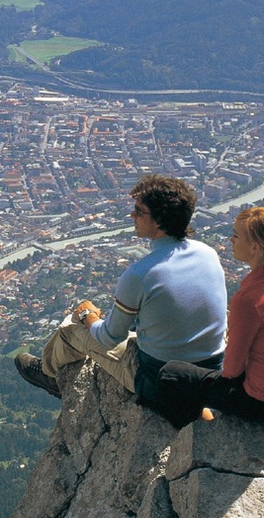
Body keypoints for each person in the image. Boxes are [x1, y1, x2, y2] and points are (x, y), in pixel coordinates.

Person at [15, 174, 227, 415]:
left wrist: (88, 316)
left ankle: (49, 375)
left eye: (139, 211)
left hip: (159, 380)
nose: (132, 216)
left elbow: (109, 337)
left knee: (70, 328)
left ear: (159, 221)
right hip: (210, 373)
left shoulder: (140, 274)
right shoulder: (208, 253)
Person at [156, 205, 264, 427]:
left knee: (169, 374)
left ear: (255, 247)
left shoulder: (250, 299)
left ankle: (201, 424)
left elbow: (231, 371)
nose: (231, 240)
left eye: (235, 235)